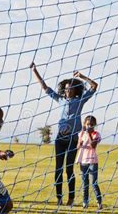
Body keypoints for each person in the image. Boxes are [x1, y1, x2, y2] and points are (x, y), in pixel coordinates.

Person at [31, 62, 98, 206]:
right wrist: (34, 71)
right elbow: (45, 88)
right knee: (58, 169)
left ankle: (71, 198)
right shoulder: (60, 100)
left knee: (69, 169)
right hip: (60, 139)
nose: (68, 91)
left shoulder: (80, 100)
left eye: (70, 89)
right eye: (66, 89)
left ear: (75, 90)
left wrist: (82, 76)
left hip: (73, 139)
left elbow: (94, 87)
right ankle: (59, 198)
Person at [76, 115, 103, 210]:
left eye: (91, 124)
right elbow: (78, 146)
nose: (89, 126)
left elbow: (93, 145)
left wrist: (89, 134)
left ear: (94, 125)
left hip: (93, 161)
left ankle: (99, 201)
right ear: (85, 124)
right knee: (85, 183)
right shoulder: (81, 134)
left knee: (94, 183)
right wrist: (81, 140)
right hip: (83, 161)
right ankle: (85, 202)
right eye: (88, 124)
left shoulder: (96, 134)